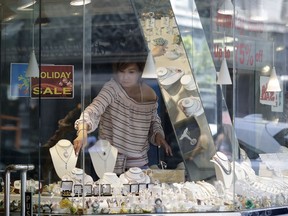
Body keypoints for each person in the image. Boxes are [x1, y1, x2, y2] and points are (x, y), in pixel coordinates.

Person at [73, 61, 172, 174]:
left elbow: (153, 121)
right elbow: (93, 110)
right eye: (122, 72)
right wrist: (82, 132)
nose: (125, 77)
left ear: (139, 73)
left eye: (131, 72)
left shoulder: (149, 94)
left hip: (140, 166)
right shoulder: (112, 88)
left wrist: (159, 136)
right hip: (110, 165)